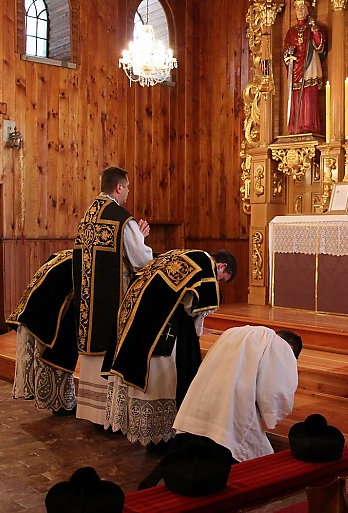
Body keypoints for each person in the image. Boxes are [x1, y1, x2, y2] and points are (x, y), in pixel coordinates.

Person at [102, 249, 237, 449]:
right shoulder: (204, 263)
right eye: (221, 279)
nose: (217, 283)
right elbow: (194, 309)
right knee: (162, 377)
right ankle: (161, 436)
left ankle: (147, 431)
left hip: (135, 320)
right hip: (160, 329)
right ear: (221, 266)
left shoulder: (181, 254)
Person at [138, 325, 301, 489]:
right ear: (291, 348)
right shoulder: (279, 346)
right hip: (230, 410)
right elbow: (275, 391)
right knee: (261, 470)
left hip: (202, 398)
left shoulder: (234, 332)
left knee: (185, 451)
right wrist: (273, 414)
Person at [73, 166, 153, 426]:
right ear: (119, 187)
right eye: (127, 187)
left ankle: (91, 412)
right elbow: (141, 261)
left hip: (88, 303)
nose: (128, 193)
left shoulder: (88, 217)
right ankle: (110, 416)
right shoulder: (121, 218)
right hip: (112, 304)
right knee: (111, 350)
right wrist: (141, 239)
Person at [7, 250, 79, 415]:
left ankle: (59, 400)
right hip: (52, 310)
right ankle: (60, 401)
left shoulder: (66, 256)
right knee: (59, 343)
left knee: (58, 343)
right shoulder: (75, 263)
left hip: (45, 304)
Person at [283, 0, 326, 135]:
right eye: (297, 8)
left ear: (308, 10)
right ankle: (296, 127)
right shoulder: (290, 32)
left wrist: (315, 31)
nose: (300, 11)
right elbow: (286, 49)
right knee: (296, 95)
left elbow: (320, 46)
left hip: (309, 63)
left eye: (303, 8)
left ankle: (309, 125)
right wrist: (288, 56)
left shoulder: (312, 28)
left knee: (309, 94)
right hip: (295, 66)